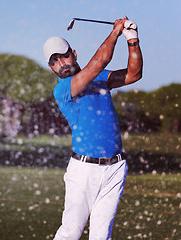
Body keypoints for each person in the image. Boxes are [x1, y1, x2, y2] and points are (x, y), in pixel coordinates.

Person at [43, 17, 143, 240]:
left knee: (101, 236)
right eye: (55, 61)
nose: (62, 63)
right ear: (51, 68)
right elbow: (99, 62)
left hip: (115, 168)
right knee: (70, 233)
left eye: (64, 56)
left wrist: (132, 39)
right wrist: (115, 32)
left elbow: (134, 74)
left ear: (74, 53)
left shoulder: (99, 78)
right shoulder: (63, 90)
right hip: (84, 171)